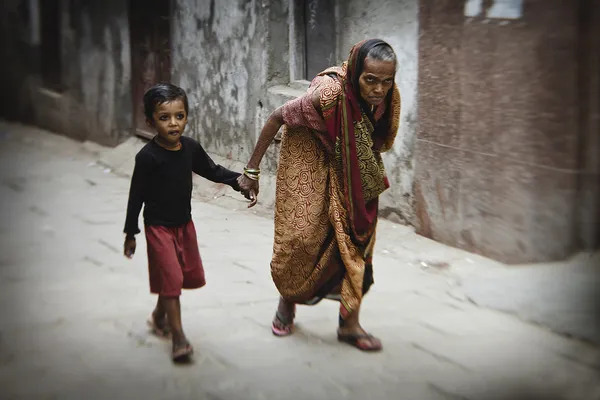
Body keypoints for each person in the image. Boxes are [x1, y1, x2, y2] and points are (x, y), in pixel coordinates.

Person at [238, 39, 401, 352]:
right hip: (311, 167)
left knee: (356, 247)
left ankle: (349, 325)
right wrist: (252, 171)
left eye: (386, 81)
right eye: (370, 80)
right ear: (355, 73)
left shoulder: (387, 97)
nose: (379, 89)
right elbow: (277, 116)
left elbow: (379, 136)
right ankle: (287, 301)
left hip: (353, 177)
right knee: (303, 242)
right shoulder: (329, 94)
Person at [123, 83, 249, 362]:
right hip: (157, 227)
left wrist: (239, 182)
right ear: (150, 121)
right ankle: (179, 338)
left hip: (184, 225)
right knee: (172, 277)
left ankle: (158, 316)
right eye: (164, 117)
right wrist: (131, 233)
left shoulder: (189, 148)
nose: (173, 123)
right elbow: (136, 197)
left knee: (177, 276)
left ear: (187, 117)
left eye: (179, 116)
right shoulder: (147, 157)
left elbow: (213, 170)